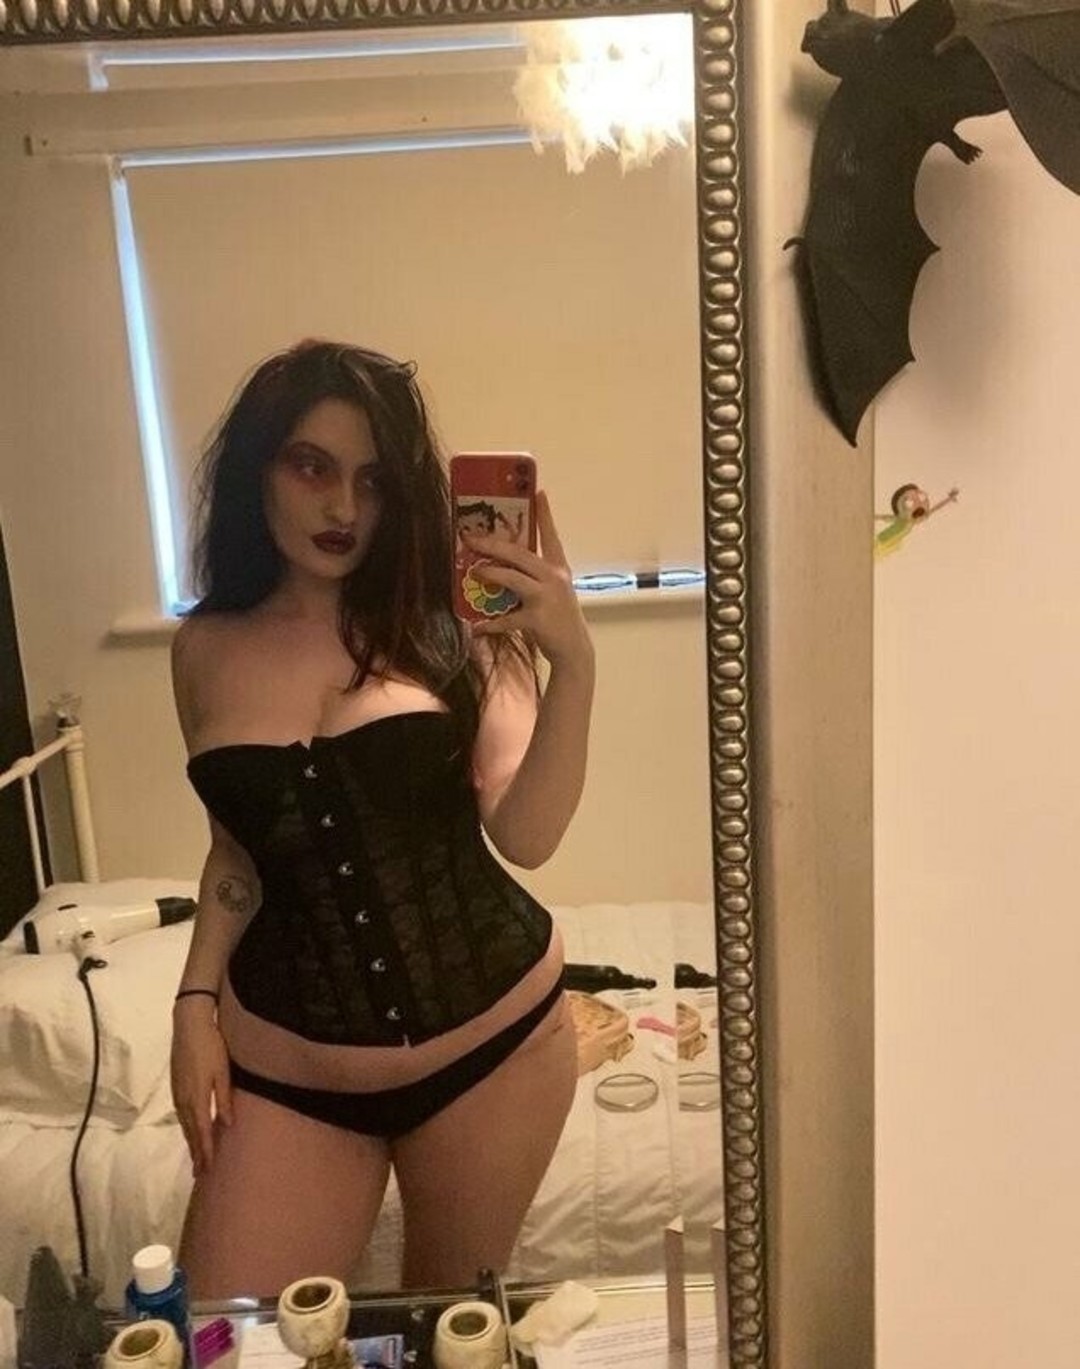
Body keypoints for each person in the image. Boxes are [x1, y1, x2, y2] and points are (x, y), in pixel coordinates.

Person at [169, 340, 594, 1299]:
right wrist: (194, 1003)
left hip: (492, 1056)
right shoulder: (202, 650)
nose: (344, 508)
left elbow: (527, 835)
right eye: (311, 467)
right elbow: (238, 848)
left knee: (451, 1336)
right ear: (257, 469)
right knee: (227, 1340)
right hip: (287, 1073)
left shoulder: (456, 624)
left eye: (371, 479)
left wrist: (573, 663)